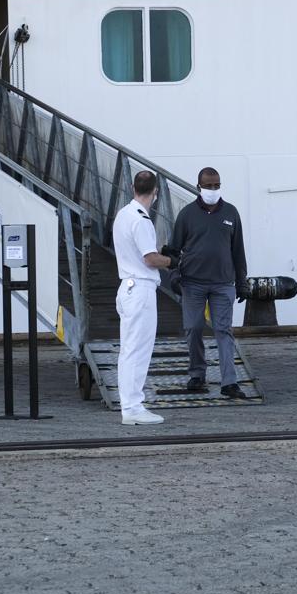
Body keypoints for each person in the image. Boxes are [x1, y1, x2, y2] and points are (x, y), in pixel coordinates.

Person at [169, 167, 249, 400]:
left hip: (224, 283)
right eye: (208, 186)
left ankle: (229, 382)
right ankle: (197, 374)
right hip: (192, 283)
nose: (212, 189)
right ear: (198, 187)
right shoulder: (186, 214)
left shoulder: (232, 213)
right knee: (193, 327)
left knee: (223, 330)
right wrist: (174, 275)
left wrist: (241, 282)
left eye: (216, 185)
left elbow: (238, 251)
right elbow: (173, 249)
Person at [112, 170, 175, 425]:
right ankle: (133, 407)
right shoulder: (142, 220)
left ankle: (130, 404)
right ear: (156, 192)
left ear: (132, 187)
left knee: (129, 349)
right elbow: (150, 259)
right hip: (140, 289)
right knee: (138, 350)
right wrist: (172, 261)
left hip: (126, 286)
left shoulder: (123, 215)